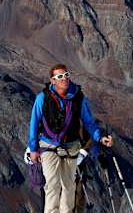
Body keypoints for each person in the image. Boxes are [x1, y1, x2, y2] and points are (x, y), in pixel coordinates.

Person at [27, 64, 113, 213]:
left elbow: (88, 122)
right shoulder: (42, 98)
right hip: (48, 146)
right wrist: (33, 149)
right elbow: (34, 123)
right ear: (52, 80)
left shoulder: (79, 98)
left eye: (66, 75)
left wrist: (100, 137)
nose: (64, 78)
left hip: (71, 146)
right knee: (52, 185)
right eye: (59, 76)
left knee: (69, 185)